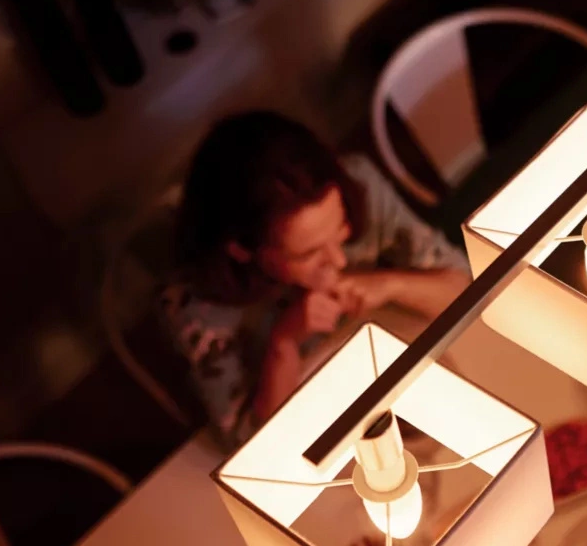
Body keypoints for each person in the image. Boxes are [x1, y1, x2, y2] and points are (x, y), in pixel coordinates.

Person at [160, 111, 469, 445]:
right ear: (242, 250)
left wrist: (390, 283)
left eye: (341, 229)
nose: (338, 260)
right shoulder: (196, 305)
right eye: (307, 254)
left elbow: (466, 286)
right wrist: (284, 343)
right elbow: (253, 443)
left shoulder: (359, 186)